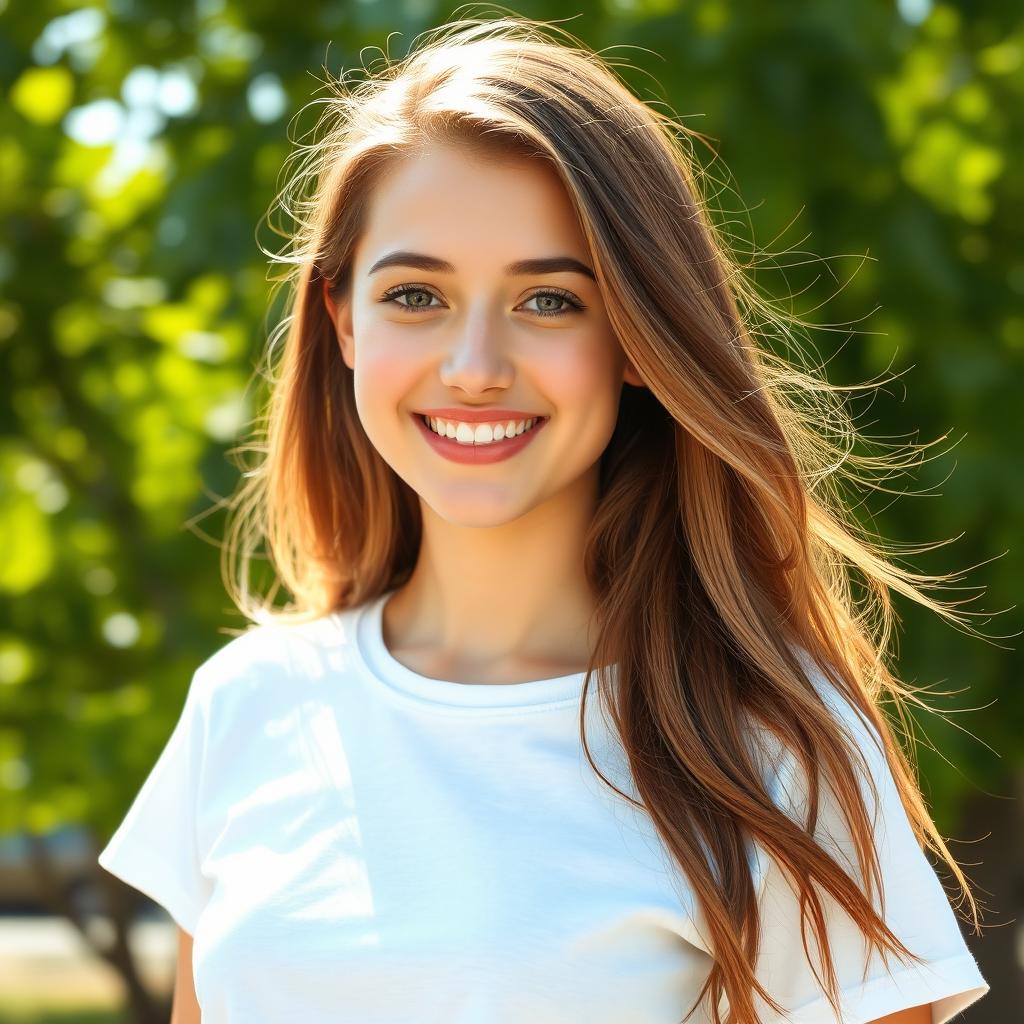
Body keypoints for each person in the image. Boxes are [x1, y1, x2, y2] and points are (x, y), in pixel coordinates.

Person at [98, 14, 991, 1024]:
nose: (474, 366)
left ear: (636, 337)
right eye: (416, 294)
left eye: (550, 302)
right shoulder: (245, 706)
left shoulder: (768, 745)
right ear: (343, 320)